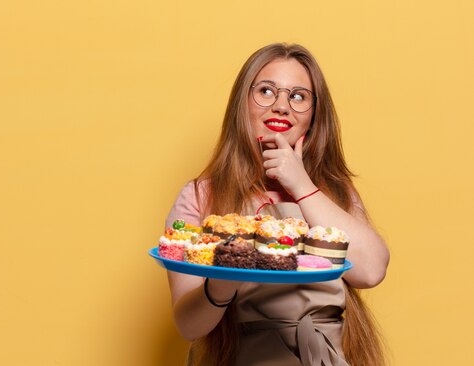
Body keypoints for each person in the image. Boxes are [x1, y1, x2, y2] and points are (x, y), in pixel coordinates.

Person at [164, 43, 390, 366]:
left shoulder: (334, 193)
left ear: (314, 115)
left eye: (298, 96)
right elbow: (188, 325)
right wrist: (222, 283)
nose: (282, 106)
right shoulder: (202, 196)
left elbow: (373, 269)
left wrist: (301, 185)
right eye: (267, 91)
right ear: (242, 105)